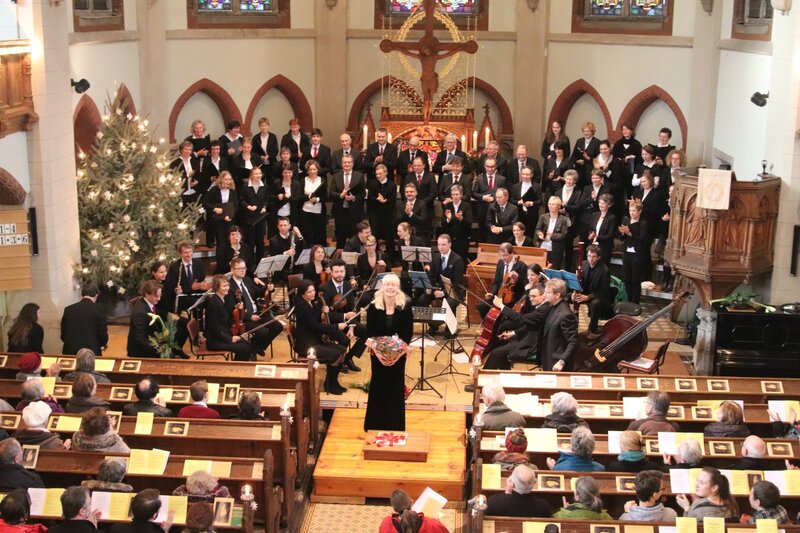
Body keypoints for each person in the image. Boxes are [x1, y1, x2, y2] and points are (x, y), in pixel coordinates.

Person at [364, 273, 413, 431]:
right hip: (377, 355)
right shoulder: (373, 306)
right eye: (387, 284)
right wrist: (379, 350)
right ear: (382, 286)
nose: (390, 287)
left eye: (393, 285)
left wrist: (398, 350)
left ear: (398, 288)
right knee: (378, 386)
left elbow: (408, 333)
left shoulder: (405, 306)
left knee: (395, 387)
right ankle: (374, 424)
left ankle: (395, 425)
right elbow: (370, 331)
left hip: (398, 356)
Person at [292, 280, 348, 395]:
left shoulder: (310, 303)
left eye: (313, 290)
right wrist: (337, 327)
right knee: (336, 354)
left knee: (342, 350)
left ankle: (333, 381)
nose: (313, 294)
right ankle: (330, 384)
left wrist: (323, 312)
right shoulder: (302, 307)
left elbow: (316, 318)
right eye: (309, 292)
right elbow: (316, 327)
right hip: (307, 345)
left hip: (314, 340)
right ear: (302, 294)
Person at [483, 285, 549, 370]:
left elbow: (521, 319)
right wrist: (513, 333)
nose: (531, 299)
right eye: (530, 296)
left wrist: (502, 306)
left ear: (543, 296)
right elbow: (531, 325)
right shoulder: (540, 306)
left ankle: (484, 377)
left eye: (534, 296)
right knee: (498, 342)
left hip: (531, 344)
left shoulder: (544, 309)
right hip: (528, 337)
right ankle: (504, 375)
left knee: (496, 353)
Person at [227, 258, 282, 357]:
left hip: (257, 313)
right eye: (239, 268)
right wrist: (250, 316)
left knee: (278, 326)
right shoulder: (229, 286)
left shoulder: (247, 280)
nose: (242, 270)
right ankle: (253, 349)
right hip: (243, 319)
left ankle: (255, 348)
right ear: (232, 270)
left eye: (244, 268)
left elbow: (258, 293)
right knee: (262, 332)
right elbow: (231, 308)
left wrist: (268, 288)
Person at [320, 259, 365, 371]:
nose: (339, 274)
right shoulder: (325, 288)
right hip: (332, 324)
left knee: (367, 331)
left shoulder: (347, 285)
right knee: (345, 340)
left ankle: (348, 358)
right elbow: (327, 315)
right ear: (331, 272)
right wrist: (345, 316)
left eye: (342, 271)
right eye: (336, 272)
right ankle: (338, 362)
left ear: (345, 272)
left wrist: (351, 327)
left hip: (347, 321)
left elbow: (352, 309)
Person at [417, 234, 465, 337]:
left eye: (443, 244)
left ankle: (450, 329)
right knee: (422, 300)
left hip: (454, 291)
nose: (441, 247)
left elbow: (457, 282)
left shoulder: (457, 260)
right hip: (437, 288)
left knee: (450, 303)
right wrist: (428, 287)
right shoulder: (436, 257)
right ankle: (433, 325)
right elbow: (431, 276)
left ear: (450, 244)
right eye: (439, 245)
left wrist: (443, 293)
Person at [205, 275, 256, 362]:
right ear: (217, 287)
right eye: (224, 286)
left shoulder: (222, 300)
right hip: (215, 341)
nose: (227, 288)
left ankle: (240, 366)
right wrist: (230, 338)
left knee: (248, 344)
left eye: (228, 285)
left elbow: (227, 318)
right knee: (244, 348)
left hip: (224, 335)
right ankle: (235, 368)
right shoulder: (214, 303)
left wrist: (238, 309)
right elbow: (214, 328)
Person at [477, 243, 527, 319]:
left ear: (512, 253)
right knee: (481, 306)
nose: (503, 258)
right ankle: (488, 325)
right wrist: (492, 293)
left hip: (512, 299)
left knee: (501, 312)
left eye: (505, 255)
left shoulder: (521, 266)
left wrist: (518, 277)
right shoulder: (500, 263)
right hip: (499, 296)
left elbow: (524, 284)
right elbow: (496, 282)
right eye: (501, 255)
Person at [572, 244, 613, 335]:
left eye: (594, 256)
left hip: (598, 296)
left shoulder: (605, 271)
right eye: (589, 256)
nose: (591, 258)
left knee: (595, 304)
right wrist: (575, 292)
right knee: (567, 297)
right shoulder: (583, 264)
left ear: (599, 257)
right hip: (585, 292)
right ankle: (572, 325)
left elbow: (603, 291)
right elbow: (580, 282)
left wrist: (587, 297)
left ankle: (592, 330)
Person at [539, 279, 578, 372]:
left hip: (557, 362)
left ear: (557, 295)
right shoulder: (553, 306)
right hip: (548, 356)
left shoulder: (566, 315)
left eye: (548, 292)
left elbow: (573, 342)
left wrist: (561, 362)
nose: (544, 295)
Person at [485, 464, 550, 518]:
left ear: (512, 484)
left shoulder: (494, 502)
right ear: (534, 483)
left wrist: (507, 493)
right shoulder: (543, 507)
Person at [329, 153, 366, 249]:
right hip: (340, 212)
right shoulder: (336, 176)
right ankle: (339, 256)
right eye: (345, 162)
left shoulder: (359, 176)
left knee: (355, 237)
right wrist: (340, 195)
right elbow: (331, 192)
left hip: (354, 212)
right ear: (342, 164)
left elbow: (362, 194)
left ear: (353, 164)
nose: (347, 164)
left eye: (349, 162)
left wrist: (353, 198)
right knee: (340, 237)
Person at [164, 241, 211, 314]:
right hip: (184, 296)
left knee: (212, 300)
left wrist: (203, 285)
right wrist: (190, 288)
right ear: (180, 254)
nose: (189, 255)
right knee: (202, 303)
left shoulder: (199, 263)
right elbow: (173, 288)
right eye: (186, 252)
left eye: (190, 251)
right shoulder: (174, 267)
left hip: (197, 293)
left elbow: (201, 280)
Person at [61, 284, 108, 355]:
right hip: (91, 351)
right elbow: (102, 333)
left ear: (82, 295)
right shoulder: (99, 310)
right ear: (96, 295)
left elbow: (63, 334)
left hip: (70, 351)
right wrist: (103, 343)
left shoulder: (68, 309)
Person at [378, 489, 450, 533]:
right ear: (411, 501)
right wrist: (437, 521)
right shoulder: (432, 524)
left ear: (394, 509)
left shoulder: (386, 524)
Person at [619, 198, 648, 304]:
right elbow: (622, 238)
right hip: (627, 252)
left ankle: (635, 302)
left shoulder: (643, 223)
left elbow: (642, 240)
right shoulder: (626, 220)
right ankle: (627, 300)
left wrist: (630, 233)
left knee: (635, 279)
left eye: (634, 211)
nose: (632, 213)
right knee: (627, 278)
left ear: (639, 211)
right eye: (630, 210)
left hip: (637, 254)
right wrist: (622, 233)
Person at [471, 156, 506, 243]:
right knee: (482, 234)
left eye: (492, 166)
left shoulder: (501, 179)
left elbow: (504, 193)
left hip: (497, 210)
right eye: (488, 166)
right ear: (484, 166)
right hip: (482, 210)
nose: (490, 169)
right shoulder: (479, 179)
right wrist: (483, 198)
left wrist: (496, 198)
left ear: (496, 166)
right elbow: (473, 193)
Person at [126, 280, 163, 359]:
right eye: (156, 296)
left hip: (150, 342)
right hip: (141, 352)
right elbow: (140, 339)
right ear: (146, 294)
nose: (159, 299)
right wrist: (157, 348)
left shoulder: (148, 303)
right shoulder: (140, 313)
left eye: (160, 295)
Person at [238, 167, 269, 262]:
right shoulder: (245, 186)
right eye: (256, 174)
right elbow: (241, 200)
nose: (258, 175)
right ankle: (250, 263)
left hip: (260, 218)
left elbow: (267, 200)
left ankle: (260, 262)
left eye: (259, 173)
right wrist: (248, 206)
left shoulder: (265, 186)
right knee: (250, 242)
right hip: (249, 218)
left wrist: (264, 207)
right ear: (251, 175)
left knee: (260, 242)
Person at [203, 170, 239, 248]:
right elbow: (206, 202)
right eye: (226, 179)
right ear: (221, 179)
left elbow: (236, 205)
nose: (228, 181)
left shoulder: (232, 191)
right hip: (218, 220)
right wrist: (214, 209)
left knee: (229, 241)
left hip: (229, 219)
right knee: (220, 242)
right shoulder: (214, 189)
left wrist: (230, 215)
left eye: (229, 179)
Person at [366, 164, 397, 249]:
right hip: (375, 215)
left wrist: (385, 201)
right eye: (377, 174)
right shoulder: (372, 183)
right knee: (374, 236)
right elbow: (370, 198)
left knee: (389, 238)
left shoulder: (392, 185)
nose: (378, 176)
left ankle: (390, 255)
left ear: (386, 173)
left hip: (388, 215)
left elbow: (393, 200)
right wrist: (377, 199)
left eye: (380, 174)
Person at [438, 184, 472, 261]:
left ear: (461, 195)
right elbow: (443, 224)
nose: (455, 196)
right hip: (450, 239)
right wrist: (448, 219)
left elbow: (469, 223)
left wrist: (461, 219)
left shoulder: (466, 206)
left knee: (461, 260)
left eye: (457, 194)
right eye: (453, 195)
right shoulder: (448, 206)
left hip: (462, 239)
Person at [556, 169, 582, 270]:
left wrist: (566, 208)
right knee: (558, 245)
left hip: (571, 222)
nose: (569, 181)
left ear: (575, 181)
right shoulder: (558, 191)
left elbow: (578, 207)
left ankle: (568, 267)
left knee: (568, 246)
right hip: (558, 221)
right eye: (567, 179)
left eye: (571, 179)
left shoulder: (578, 192)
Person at [535, 196, 569, 269]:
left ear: (558, 206)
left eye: (553, 204)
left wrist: (552, 236)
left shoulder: (563, 219)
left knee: (555, 268)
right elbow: (538, 229)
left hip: (556, 248)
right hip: (543, 247)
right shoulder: (543, 217)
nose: (550, 206)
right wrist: (539, 233)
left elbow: (563, 235)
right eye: (549, 204)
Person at [594, 140, 625, 219]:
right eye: (601, 149)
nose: (603, 151)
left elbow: (616, 177)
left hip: (613, 189)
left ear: (609, 149)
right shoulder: (596, 160)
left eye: (605, 149)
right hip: (600, 188)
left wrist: (606, 170)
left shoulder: (615, 160)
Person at [299, 159, 327, 246]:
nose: (312, 171)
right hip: (306, 211)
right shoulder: (303, 181)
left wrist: (317, 199)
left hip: (318, 212)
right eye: (310, 169)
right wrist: (308, 197)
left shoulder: (322, 180)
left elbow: (325, 196)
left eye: (314, 169)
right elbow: (299, 196)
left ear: (317, 170)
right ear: (307, 170)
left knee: (319, 235)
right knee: (306, 234)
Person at [268, 216, 304, 281]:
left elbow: (304, 249)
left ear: (289, 226)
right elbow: (274, 258)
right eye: (280, 225)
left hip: (295, 268)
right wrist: (285, 253)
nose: (283, 227)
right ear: (278, 226)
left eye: (285, 225)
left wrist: (299, 235)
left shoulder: (294, 236)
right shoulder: (273, 240)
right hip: (282, 270)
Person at [587, 194, 617, 266]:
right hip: (593, 246)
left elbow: (610, 235)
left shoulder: (612, 217)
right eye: (599, 203)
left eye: (603, 203)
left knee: (603, 267)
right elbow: (590, 229)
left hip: (605, 247)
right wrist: (591, 234)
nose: (600, 205)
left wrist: (597, 237)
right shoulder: (595, 215)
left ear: (609, 205)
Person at [172, 140, 203, 208]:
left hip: (194, 191)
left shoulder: (194, 160)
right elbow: (173, 176)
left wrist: (197, 181)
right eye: (186, 149)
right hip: (181, 192)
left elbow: (199, 174)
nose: (188, 151)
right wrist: (187, 177)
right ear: (181, 150)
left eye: (190, 150)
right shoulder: (175, 162)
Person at [571, 122, 601, 187]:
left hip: (591, 173)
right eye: (584, 131)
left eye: (588, 131)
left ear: (592, 132)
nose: (586, 133)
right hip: (579, 172)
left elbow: (599, 159)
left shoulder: (597, 142)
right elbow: (573, 156)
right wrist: (577, 161)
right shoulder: (579, 141)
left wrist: (589, 158)